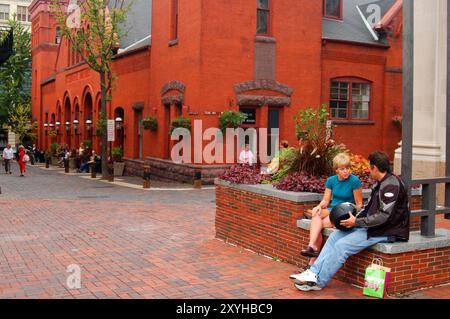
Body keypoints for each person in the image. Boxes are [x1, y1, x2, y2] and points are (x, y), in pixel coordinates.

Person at [291, 151, 410, 291]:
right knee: (335, 235)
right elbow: (367, 208)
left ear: (375, 168)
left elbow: (384, 216)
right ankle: (312, 272)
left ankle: (318, 282)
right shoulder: (380, 183)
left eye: (370, 167)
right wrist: (353, 219)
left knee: (342, 245)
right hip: (371, 226)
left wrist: (357, 222)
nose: (369, 171)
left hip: (386, 230)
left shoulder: (391, 185)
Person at [293, 153, 363, 273]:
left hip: (343, 212)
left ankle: (312, 258)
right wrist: (319, 206)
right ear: (336, 170)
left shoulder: (354, 181)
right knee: (316, 214)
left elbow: (359, 204)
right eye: (342, 169)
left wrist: (349, 215)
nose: (346, 171)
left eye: (347, 168)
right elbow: (326, 200)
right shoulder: (331, 180)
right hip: (332, 209)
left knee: (319, 224)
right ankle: (312, 246)